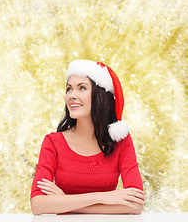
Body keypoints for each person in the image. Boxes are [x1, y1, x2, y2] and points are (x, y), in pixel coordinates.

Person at [30, 60, 144, 215]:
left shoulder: (120, 141)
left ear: (100, 95)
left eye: (82, 88)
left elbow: (135, 205)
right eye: (69, 89)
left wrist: (65, 201)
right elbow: (38, 205)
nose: (72, 95)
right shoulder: (53, 142)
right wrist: (103, 197)